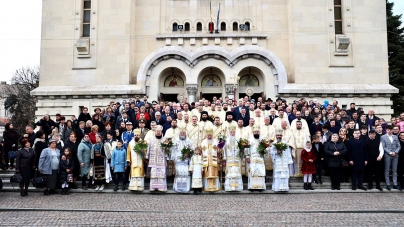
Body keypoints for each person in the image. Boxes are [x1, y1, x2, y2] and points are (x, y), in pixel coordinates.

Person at [171, 128, 193, 193]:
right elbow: (173, 151)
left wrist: (188, 154)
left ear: (186, 134)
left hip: (186, 161)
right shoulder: (175, 141)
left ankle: (186, 188)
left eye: (183, 133)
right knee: (178, 173)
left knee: (186, 173)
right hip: (178, 161)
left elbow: (192, 151)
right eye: (181, 133)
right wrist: (173, 159)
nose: (182, 134)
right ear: (179, 134)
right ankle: (178, 188)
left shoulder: (189, 142)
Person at [146, 125, 168, 192]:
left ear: (161, 132)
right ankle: (154, 187)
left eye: (159, 131)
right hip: (153, 159)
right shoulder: (151, 139)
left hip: (161, 160)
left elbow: (168, 150)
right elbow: (148, 148)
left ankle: (161, 188)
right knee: (154, 174)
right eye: (157, 131)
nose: (158, 133)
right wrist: (146, 156)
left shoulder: (165, 140)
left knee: (161, 174)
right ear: (155, 132)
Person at [380, 125, 401, 191]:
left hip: (395, 155)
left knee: (394, 170)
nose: (389, 131)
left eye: (391, 130)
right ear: (386, 130)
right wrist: (390, 153)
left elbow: (399, 146)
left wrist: (395, 152)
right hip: (387, 155)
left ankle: (395, 184)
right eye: (388, 130)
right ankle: (388, 184)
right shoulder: (383, 137)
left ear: (392, 130)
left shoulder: (395, 137)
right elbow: (383, 147)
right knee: (387, 170)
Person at [247, 126, 267, 191]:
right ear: (253, 132)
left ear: (259, 132)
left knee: (260, 172)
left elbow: (265, 150)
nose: (256, 133)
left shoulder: (262, 140)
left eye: (257, 132)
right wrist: (247, 157)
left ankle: (260, 187)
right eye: (255, 132)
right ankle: (252, 187)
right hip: (252, 158)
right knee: (252, 172)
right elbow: (247, 149)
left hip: (260, 158)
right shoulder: (250, 140)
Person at [223, 125, 243, 191]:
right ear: (229, 133)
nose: (232, 133)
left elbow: (241, 150)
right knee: (229, 173)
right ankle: (229, 187)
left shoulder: (238, 141)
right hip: (229, 160)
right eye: (231, 132)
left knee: (237, 172)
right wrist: (224, 158)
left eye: (233, 132)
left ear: (235, 132)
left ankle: (238, 187)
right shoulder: (226, 141)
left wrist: (242, 152)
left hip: (237, 160)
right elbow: (224, 149)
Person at [200, 127, 220, 192]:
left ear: (212, 135)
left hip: (214, 161)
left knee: (214, 173)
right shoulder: (203, 142)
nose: (209, 136)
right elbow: (201, 153)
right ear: (206, 135)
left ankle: (215, 187)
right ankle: (206, 187)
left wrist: (220, 151)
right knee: (207, 174)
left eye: (210, 135)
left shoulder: (216, 142)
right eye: (208, 135)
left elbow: (219, 152)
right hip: (206, 161)